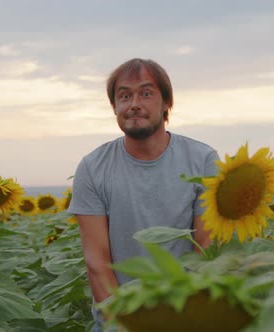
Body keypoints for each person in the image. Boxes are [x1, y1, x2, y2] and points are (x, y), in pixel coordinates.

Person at [68, 58, 219, 330]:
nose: (134, 103)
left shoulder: (202, 161)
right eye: (124, 95)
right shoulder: (93, 168)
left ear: (166, 103)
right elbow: (97, 262)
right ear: (115, 107)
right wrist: (123, 325)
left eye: (146, 93)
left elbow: (205, 251)